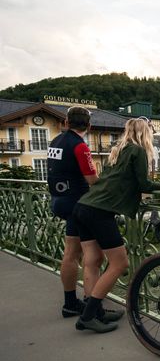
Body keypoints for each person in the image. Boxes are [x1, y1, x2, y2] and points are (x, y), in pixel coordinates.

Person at [72, 117, 160, 333]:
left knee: (93, 260)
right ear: (145, 133)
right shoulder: (137, 151)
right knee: (120, 264)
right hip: (100, 212)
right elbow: (144, 184)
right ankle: (87, 316)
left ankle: (96, 311)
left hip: (83, 207)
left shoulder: (117, 150)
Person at [47, 106, 102, 318]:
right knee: (80, 253)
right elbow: (91, 180)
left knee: (71, 252)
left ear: (66, 123)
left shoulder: (55, 142)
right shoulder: (80, 147)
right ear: (88, 126)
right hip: (76, 203)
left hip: (58, 200)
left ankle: (71, 301)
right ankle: (86, 305)